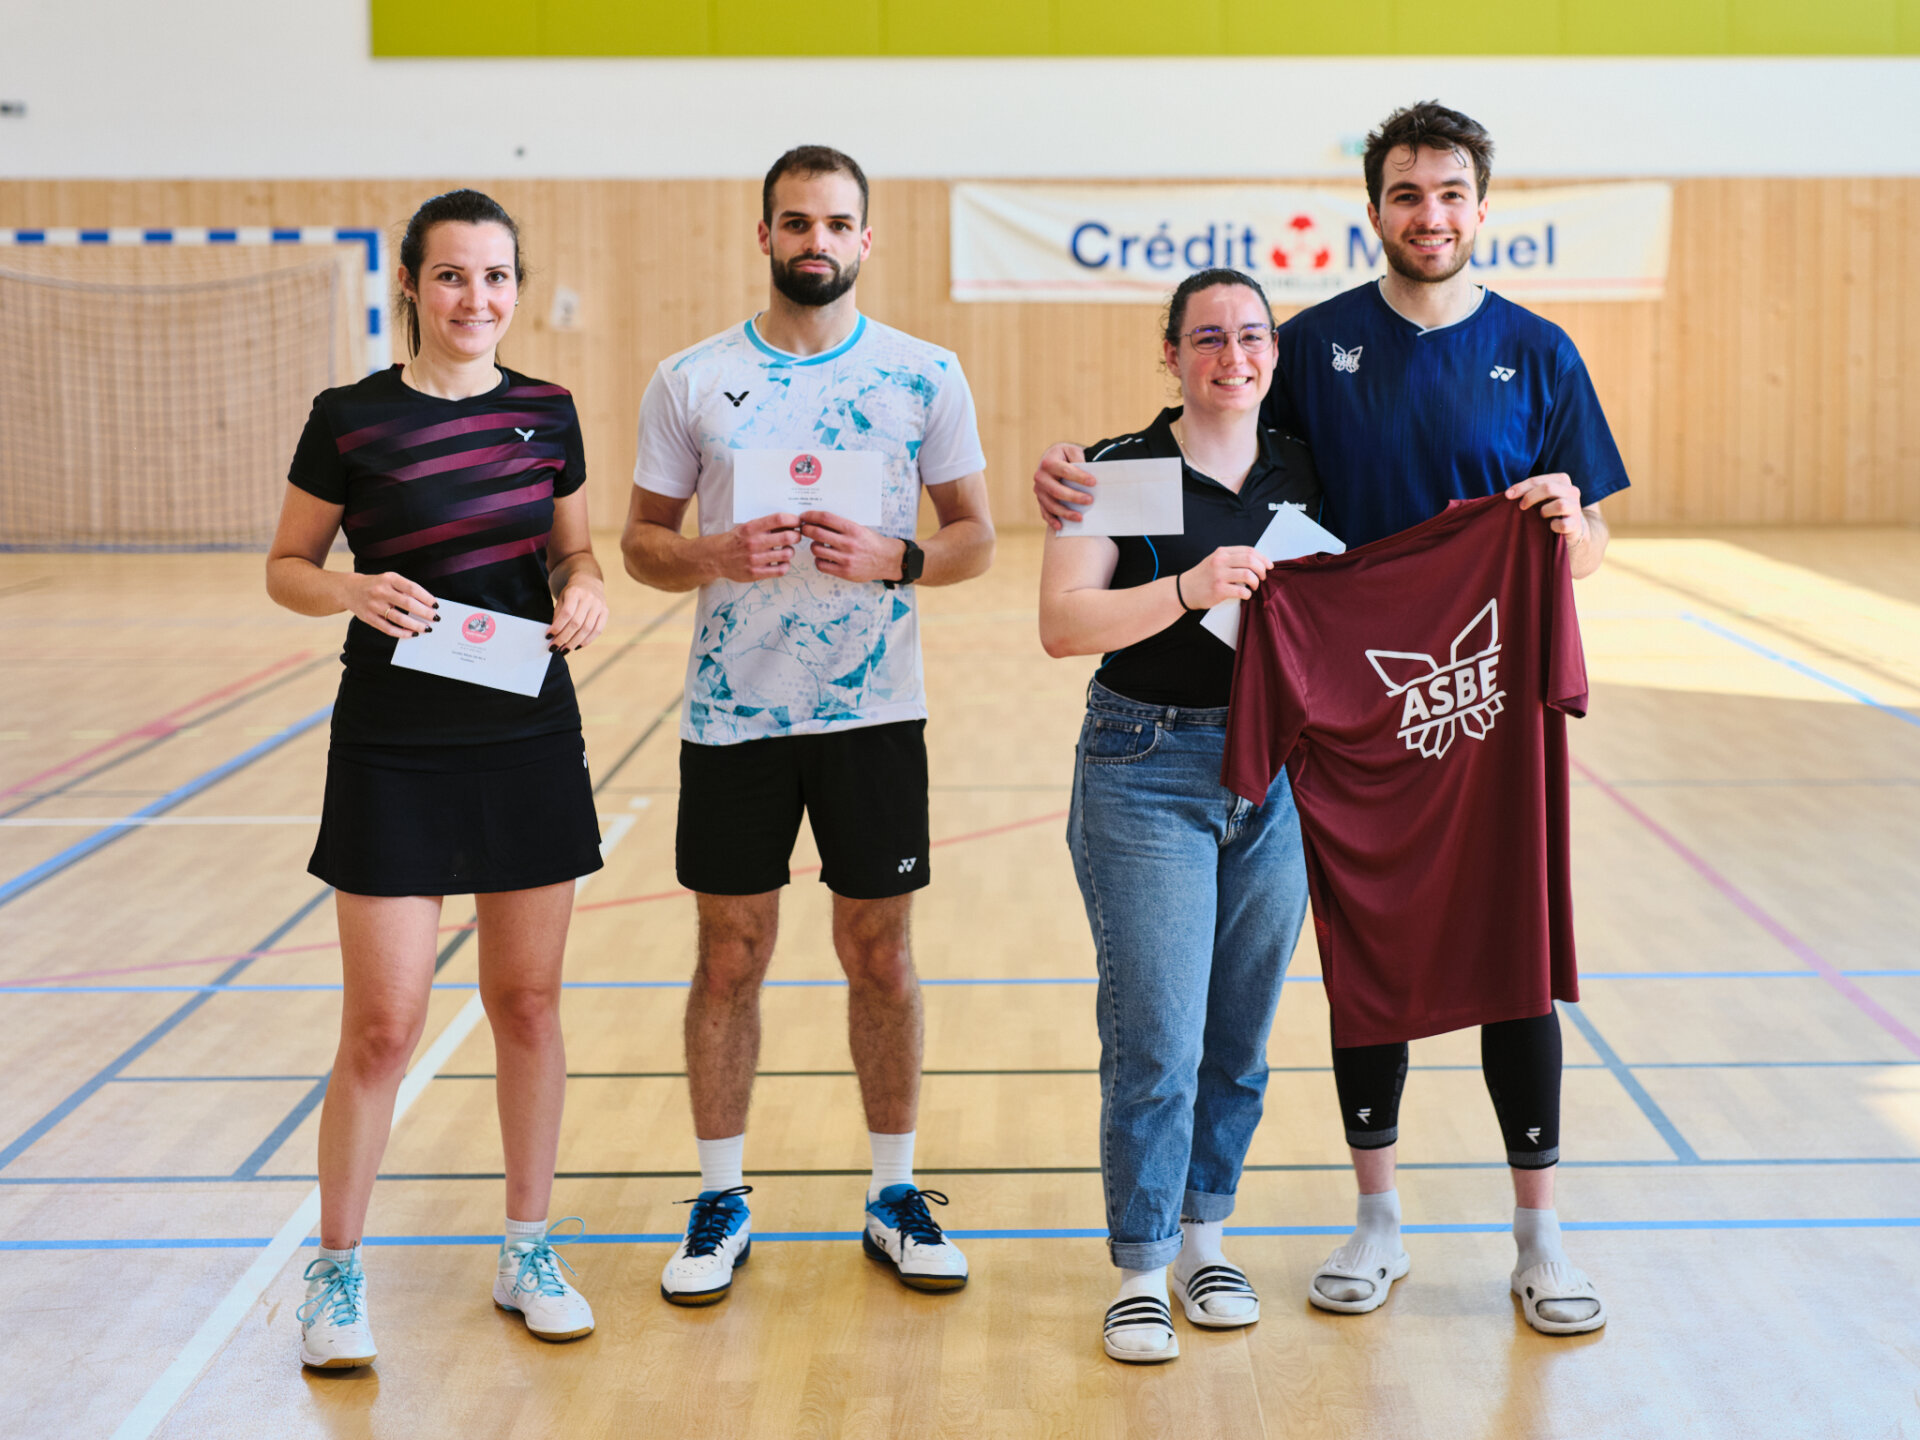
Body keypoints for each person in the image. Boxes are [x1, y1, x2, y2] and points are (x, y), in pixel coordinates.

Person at [1032, 102, 1629, 1336]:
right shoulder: (1309, 350)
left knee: (1513, 963)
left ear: (1481, 206)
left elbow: (1591, 542)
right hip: (1327, 726)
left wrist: (1576, 531)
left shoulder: (1541, 350)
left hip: (1482, 709)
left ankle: (1539, 1238)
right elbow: (1195, 454)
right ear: (1374, 210)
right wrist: (1072, 478)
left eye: (1450, 193)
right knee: (1363, 961)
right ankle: (1360, 1223)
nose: (1430, 214)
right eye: (1407, 193)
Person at [621, 145, 995, 1305]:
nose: (816, 242)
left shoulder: (924, 374)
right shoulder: (691, 379)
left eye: (837, 223)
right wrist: (709, 555)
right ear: (766, 236)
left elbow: (977, 536)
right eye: (796, 222)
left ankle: (894, 1193)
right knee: (730, 958)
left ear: (865, 239)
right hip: (733, 717)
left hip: (873, 715)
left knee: (879, 956)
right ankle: (720, 1199)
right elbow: (639, 545)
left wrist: (902, 558)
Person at [266, 189, 609, 1368]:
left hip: (526, 735)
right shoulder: (350, 417)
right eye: (453, 275)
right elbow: (286, 565)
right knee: (383, 1025)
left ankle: (527, 1250)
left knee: (528, 1005)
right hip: (393, 745)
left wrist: (586, 589)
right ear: (411, 282)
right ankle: (335, 1274)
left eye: (496, 276)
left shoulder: (548, 411)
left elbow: (573, 547)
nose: (477, 298)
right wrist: (349, 589)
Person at [1039, 269, 1320, 1362]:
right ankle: (1143, 1268)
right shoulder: (1128, 472)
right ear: (1170, 354)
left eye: (1251, 336)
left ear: (1274, 352)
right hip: (1146, 763)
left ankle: (1207, 1241)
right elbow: (1064, 624)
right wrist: (1188, 590)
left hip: (1276, 775)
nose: (1231, 356)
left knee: (1238, 1039)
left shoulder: (1308, 466)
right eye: (1207, 338)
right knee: (1158, 1037)